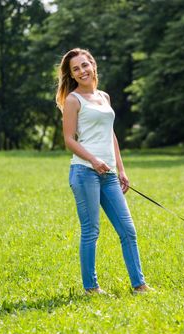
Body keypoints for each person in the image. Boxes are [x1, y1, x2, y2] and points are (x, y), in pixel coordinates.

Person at [56, 48, 152, 295]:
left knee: (128, 230)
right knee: (91, 231)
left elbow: (111, 135)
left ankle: (139, 285)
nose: (82, 71)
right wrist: (94, 160)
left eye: (85, 65)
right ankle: (91, 288)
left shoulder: (104, 97)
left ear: (93, 65)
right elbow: (69, 140)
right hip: (84, 172)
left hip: (108, 175)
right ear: (72, 75)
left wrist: (121, 169)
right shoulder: (73, 100)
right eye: (75, 69)